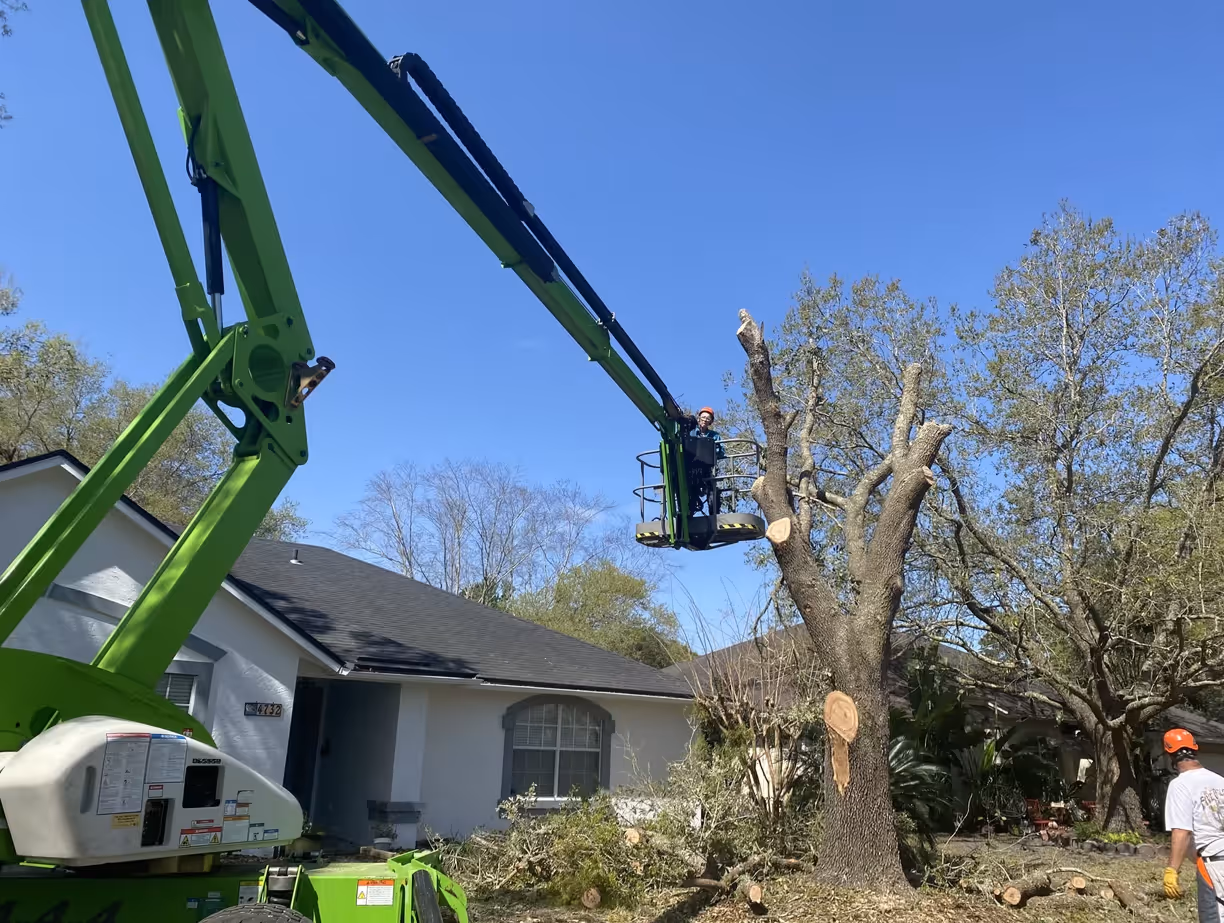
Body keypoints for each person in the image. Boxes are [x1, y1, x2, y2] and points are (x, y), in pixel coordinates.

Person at [1162, 728, 1224, 921]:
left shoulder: (1180, 785)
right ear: (1194, 750)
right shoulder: (1219, 781)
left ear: (1170, 754)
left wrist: (1172, 870)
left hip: (1212, 862)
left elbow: (1182, 831)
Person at [687, 407, 725, 515]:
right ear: (699, 418)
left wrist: (714, 450)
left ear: (711, 422)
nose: (705, 420)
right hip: (691, 470)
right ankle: (688, 513)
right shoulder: (691, 433)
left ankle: (714, 515)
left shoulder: (714, 436)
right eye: (703, 417)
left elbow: (721, 452)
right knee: (689, 490)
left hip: (706, 469)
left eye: (708, 418)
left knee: (713, 491)